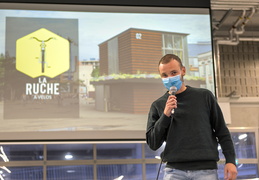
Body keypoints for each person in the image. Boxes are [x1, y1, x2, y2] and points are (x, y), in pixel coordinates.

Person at [146, 54, 237, 180]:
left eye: (173, 73)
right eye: (165, 75)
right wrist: (165, 115)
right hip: (174, 171)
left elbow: (222, 131)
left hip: (205, 170)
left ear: (183, 71)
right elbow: (153, 143)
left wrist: (230, 160)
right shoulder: (158, 105)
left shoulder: (204, 96)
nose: (170, 78)